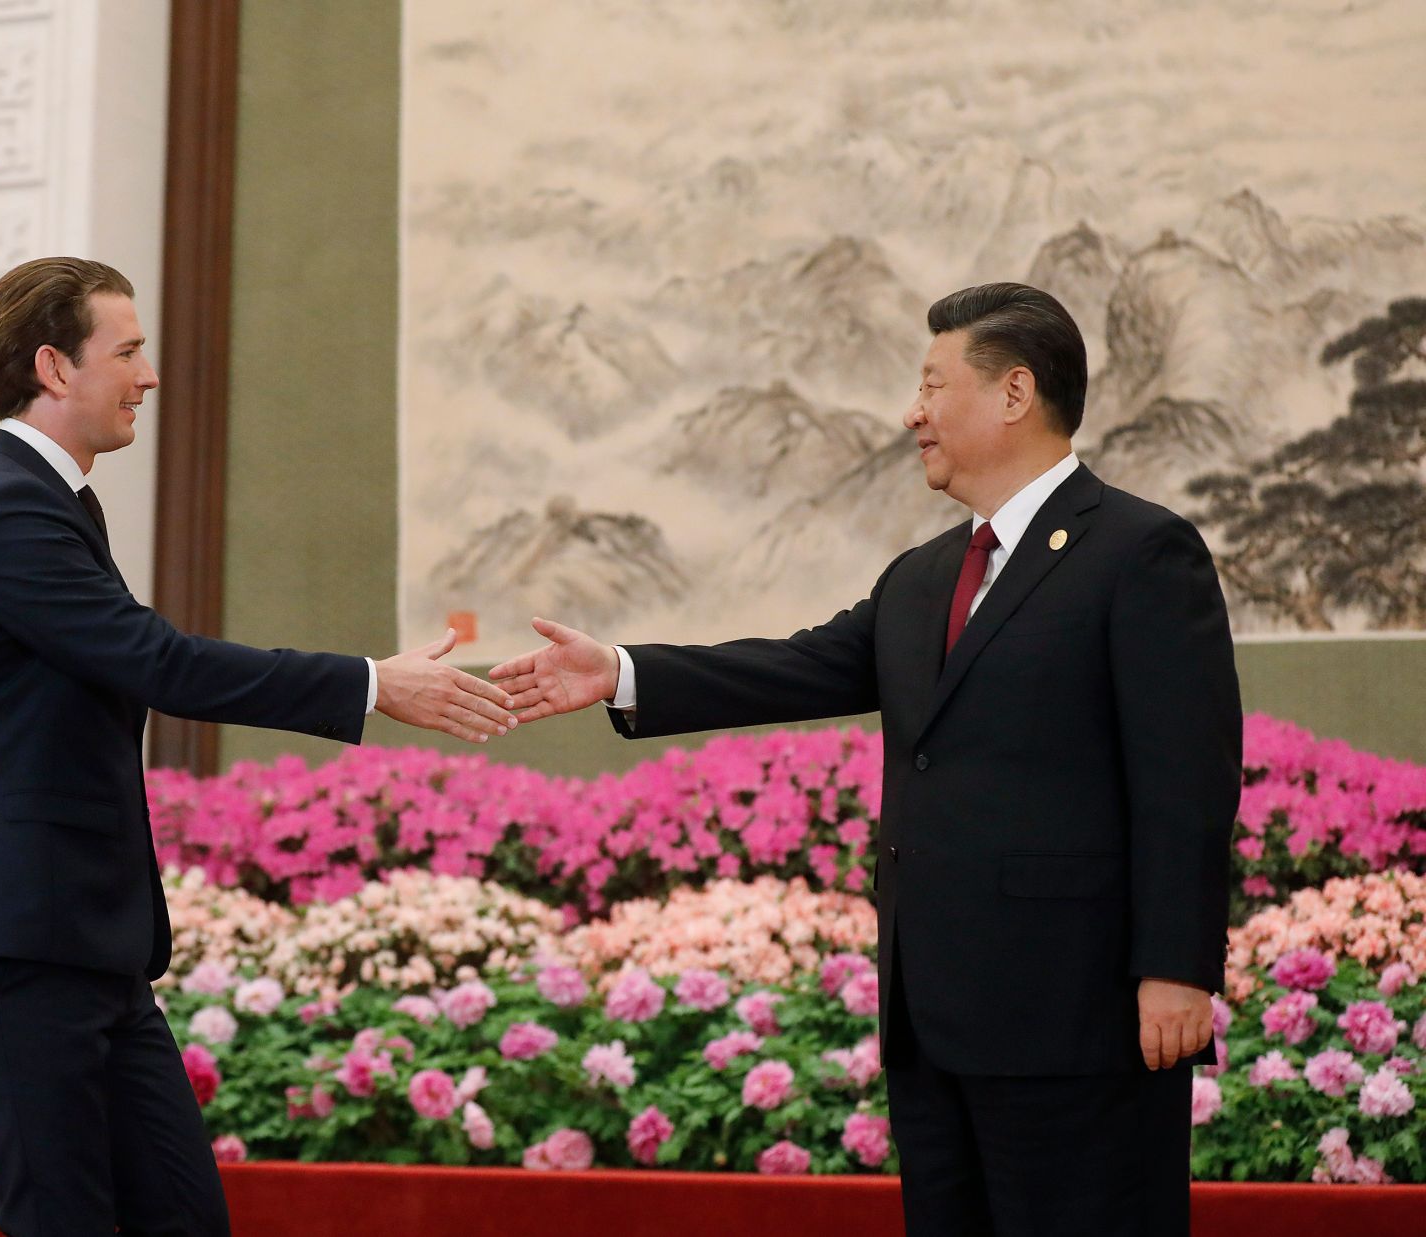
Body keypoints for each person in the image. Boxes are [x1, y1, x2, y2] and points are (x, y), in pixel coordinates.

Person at [491, 283, 1241, 1236]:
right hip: (934, 1026)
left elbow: (1188, 777)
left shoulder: (1141, 553)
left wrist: (1177, 966)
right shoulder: (925, 575)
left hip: (1078, 1023)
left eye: (932, 384)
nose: (911, 412)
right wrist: (620, 672)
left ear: (1015, 394)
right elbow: (795, 668)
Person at [0, 256, 517, 1236]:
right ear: (54, 368)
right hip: (10, 939)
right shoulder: (7, 507)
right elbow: (160, 662)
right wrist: (369, 685)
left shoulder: (56, 502)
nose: (148, 376)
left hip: (81, 944)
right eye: (129, 352)